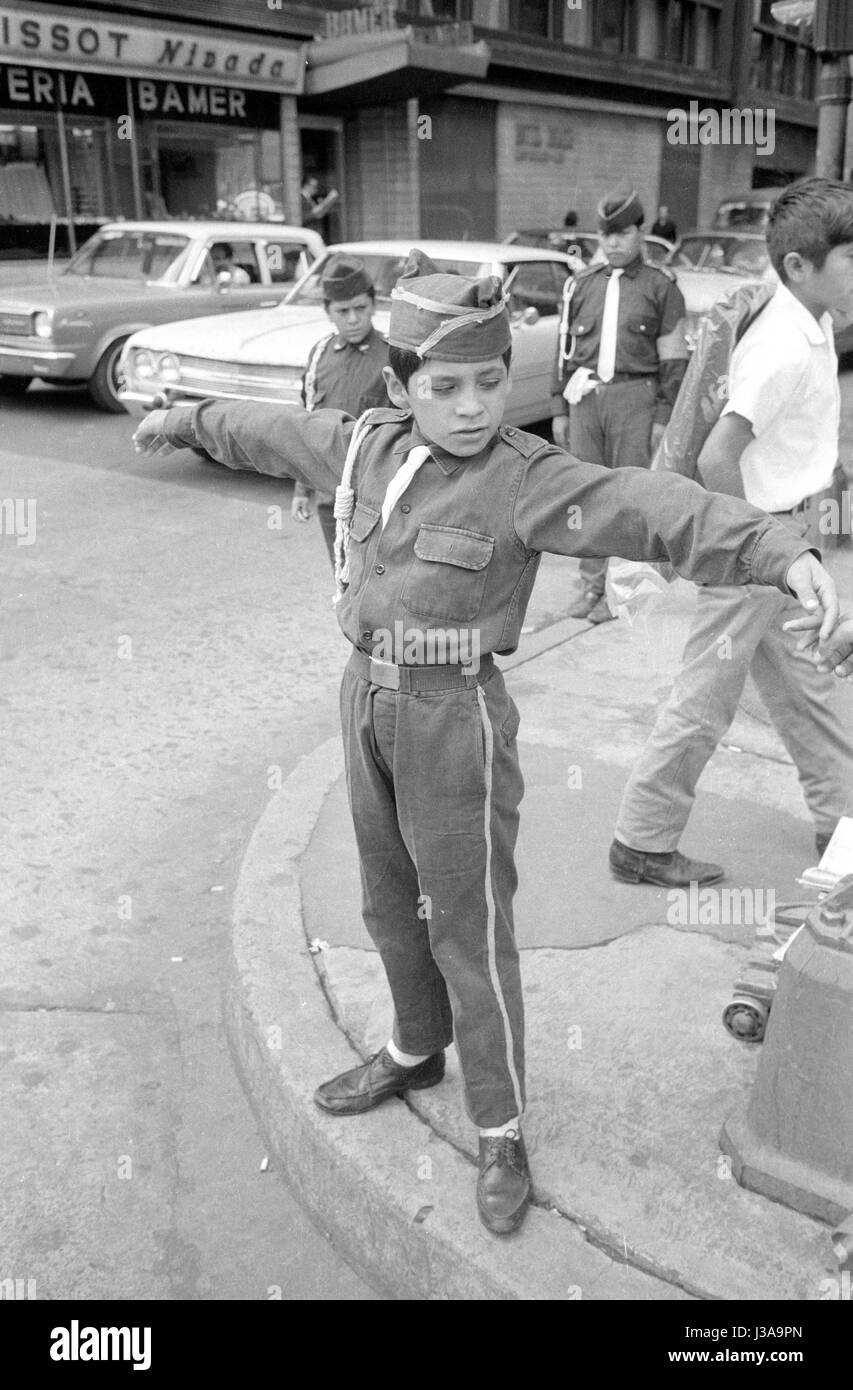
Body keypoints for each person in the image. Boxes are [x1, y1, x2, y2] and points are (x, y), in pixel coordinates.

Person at [132, 248, 837, 1237]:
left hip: (453, 717)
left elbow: (654, 508)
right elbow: (264, 430)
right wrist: (180, 417)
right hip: (364, 702)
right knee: (387, 905)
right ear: (400, 384)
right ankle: (416, 1047)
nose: (472, 406)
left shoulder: (526, 479)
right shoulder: (363, 445)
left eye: (491, 382)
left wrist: (782, 551)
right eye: (447, 386)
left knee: (467, 928)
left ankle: (499, 1127)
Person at [611, 177, 853, 890]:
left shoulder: (805, 324)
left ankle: (838, 822)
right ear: (799, 268)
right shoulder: (782, 345)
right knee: (703, 700)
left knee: (807, 687)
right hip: (760, 542)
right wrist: (753, 548)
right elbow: (718, 454)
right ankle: (641, 840)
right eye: (849, 257)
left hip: (783, 542)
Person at [555, 183, 690, 623]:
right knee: (588, 495)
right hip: (586, 398)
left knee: (629, 497)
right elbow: (564, 351)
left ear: (640, 232)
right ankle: (590, 585)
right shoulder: (580, 285)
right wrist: (560, 406)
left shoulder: (661, 287)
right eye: (604, 234)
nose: (612, 243)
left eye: (622, 233)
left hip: (637, 397)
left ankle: (623, 594)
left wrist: (663, 416)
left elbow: (674, 360)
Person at [291, 255, 389, 568]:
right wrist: (300, 490)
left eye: (360, 308)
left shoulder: (392, 356)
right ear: (328, 312)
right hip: (329, 493)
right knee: (342, 574)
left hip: (377, 494)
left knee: (377, 575)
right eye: (342, 311)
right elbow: (306, 425)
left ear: (373, 305)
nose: (353, 319)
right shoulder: (319, 355)